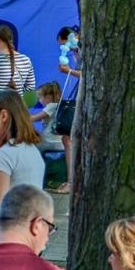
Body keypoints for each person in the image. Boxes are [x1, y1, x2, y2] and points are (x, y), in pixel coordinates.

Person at [0, 90, 45, 246]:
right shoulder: (31, 149)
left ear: (3, 115)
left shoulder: (3, 155)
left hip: (10, 240)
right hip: (32, 237)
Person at [53, 26, 80, 192]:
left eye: (63, 44)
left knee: (69, 138)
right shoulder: (78, 51)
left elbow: (87, 73)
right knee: (67, 138)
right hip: (79, 94)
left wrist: (69, 71)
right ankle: (71, 180)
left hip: (81, 98)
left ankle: (72, 181)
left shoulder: (82, 49)